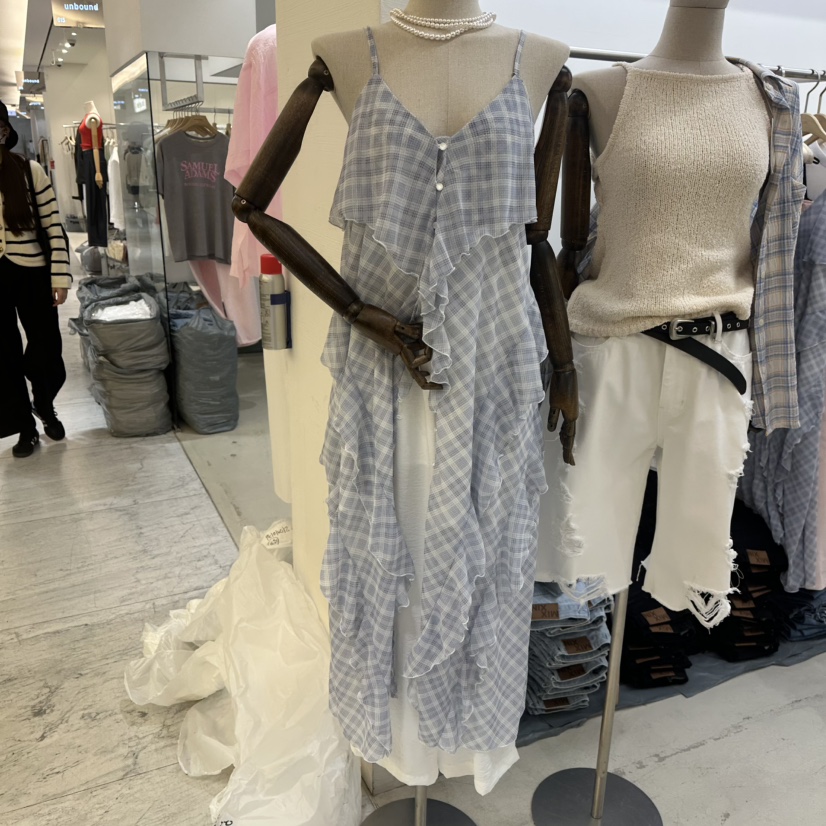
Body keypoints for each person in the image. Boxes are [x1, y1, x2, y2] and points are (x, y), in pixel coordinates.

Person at [0, 100, 72, 457]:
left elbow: (53, 228)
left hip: (33, 272)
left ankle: (43, 402)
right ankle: (25, 428)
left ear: (4, 132)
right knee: (4, 354)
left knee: (45, 348)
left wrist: (60, 277)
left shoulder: (29, 171)